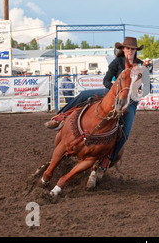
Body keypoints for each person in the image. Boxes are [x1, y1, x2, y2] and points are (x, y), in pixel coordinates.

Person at [45, 37, 144, 169]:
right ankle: (60, 117)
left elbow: (145, 86)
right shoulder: (117, 62)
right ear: (123, 49)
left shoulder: (140, 65)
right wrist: (115, 88)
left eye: (133, 49)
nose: (130, 51)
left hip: (130, 101)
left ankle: (106, 161)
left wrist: (139, 91)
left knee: (125, 132)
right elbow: (106, 81)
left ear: (136, 51)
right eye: (128, 48)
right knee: (84, 94)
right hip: (112, 93)